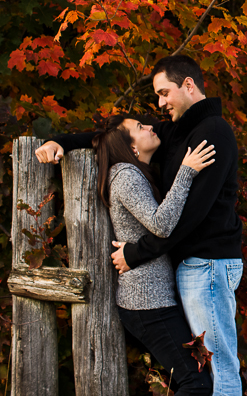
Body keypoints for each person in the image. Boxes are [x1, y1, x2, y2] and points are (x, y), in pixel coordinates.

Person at [35, 55, 244, 396]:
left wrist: (137, 252)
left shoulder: (212, 133)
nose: (160, 105)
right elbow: (110, 138)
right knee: (206, 371)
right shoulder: (176, 132)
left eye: (164, 93)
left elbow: (193, 214)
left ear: (188, 85)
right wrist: (61, 141)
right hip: (192, 268)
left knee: (218, 368)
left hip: (209, 265)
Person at [92, 115, 215, 395]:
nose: (150, 127)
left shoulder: (137, 174)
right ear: (132, 148)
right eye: (140, 128)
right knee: (195, 385)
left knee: (194, 380)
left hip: (154, 301)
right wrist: (186, 171)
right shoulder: (125, 175)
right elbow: (161, 225)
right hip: (147, 305)